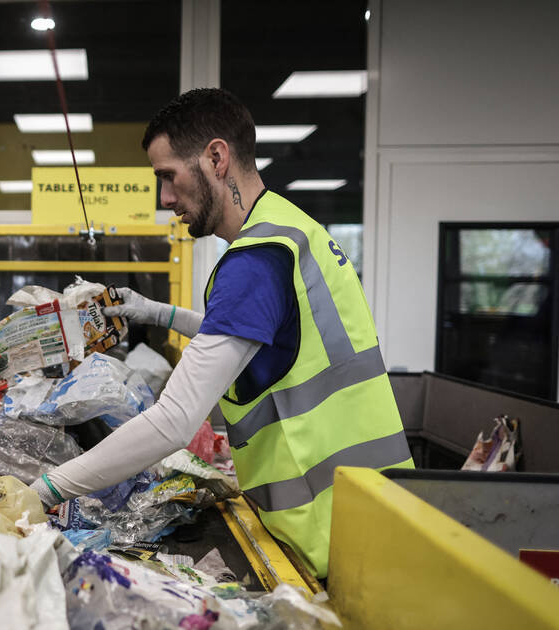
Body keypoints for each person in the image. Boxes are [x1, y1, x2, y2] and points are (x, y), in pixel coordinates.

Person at [30, 88, 412, 578]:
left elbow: (174, 422)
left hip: (330, 536)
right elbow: (259, 339)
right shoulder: (290, 231)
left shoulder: (255, 261)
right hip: (376, 509)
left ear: (216, 157)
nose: (165, 198)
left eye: (168, 176)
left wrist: (45, 489)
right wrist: (153, 312)